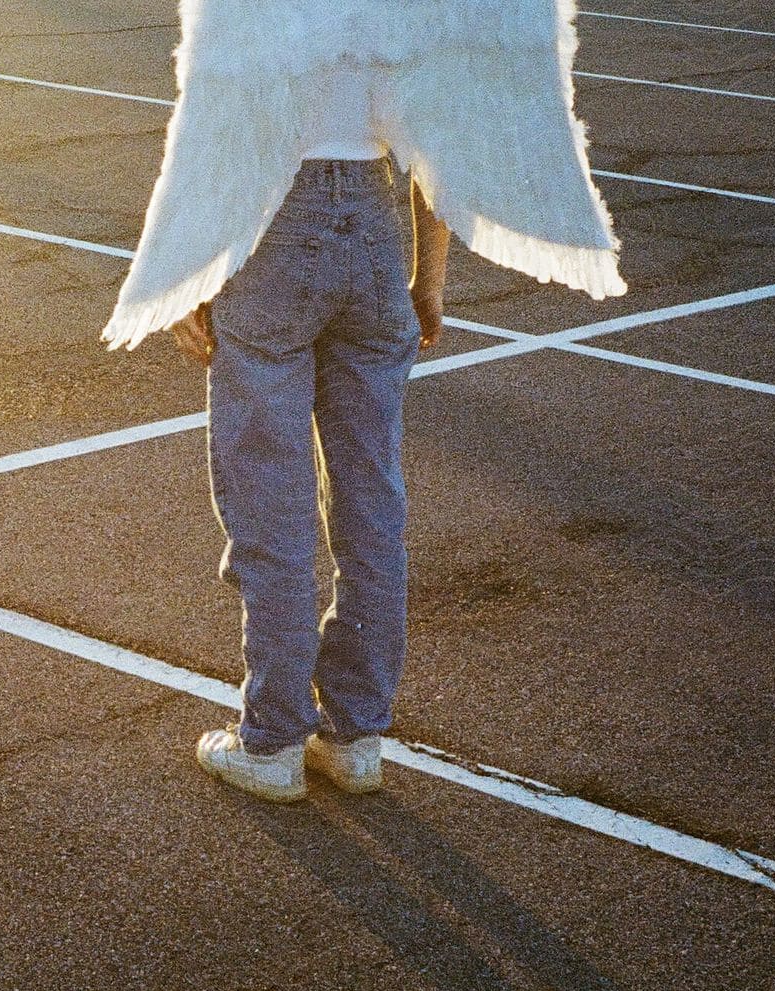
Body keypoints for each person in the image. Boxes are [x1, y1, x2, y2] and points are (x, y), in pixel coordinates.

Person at [100, 2, 627, 803]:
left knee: (270, 504)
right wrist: (430, 283)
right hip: (376, 233)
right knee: (371, 501)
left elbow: (214, 137)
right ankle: (355, 737)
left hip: (275, 227)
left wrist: (187, 274)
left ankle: (272, 741)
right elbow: (435, 150)